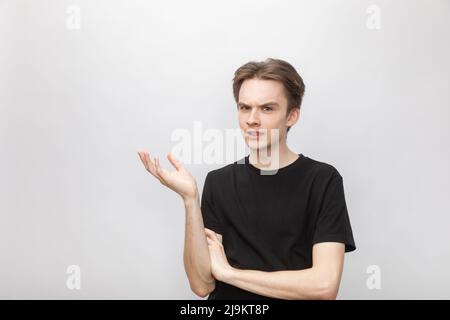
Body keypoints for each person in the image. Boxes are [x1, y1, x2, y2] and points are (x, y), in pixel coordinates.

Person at [137, 58, 356, 300]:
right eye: (244, 107)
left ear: (292, 116)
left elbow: (323, 287)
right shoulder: (219, 182)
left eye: (267, 108)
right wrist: (190, 200)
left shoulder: (323, 180)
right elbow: (201, 285)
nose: (252, 119)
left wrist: (230, 274)